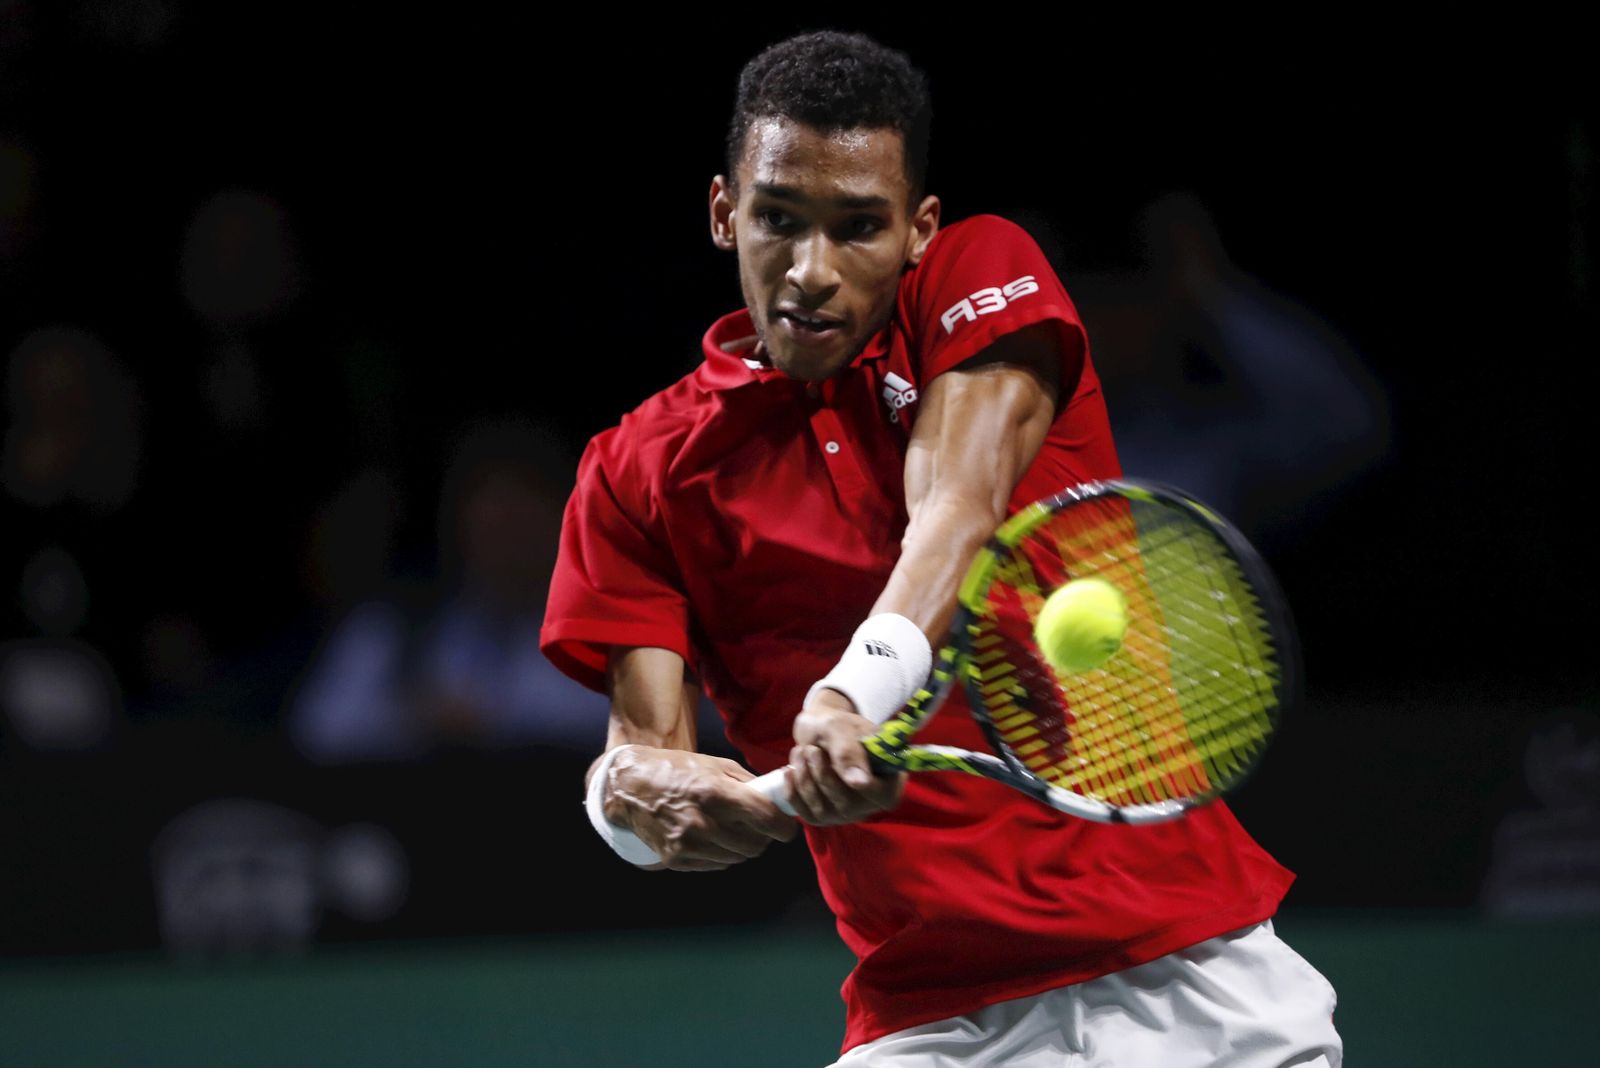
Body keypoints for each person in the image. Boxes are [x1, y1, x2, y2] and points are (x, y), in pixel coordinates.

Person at [541, 30, 1342, 1067]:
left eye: (858, 228)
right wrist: (626, 802)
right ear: (723, 212)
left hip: (1189, 978)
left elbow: (957, 509)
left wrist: (848, 698)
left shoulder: (976, 273)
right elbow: (644, 752)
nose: (812, 271)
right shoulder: (636, 471)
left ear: (917, 229)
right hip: (931, 1021)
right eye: (778, 219)